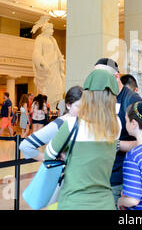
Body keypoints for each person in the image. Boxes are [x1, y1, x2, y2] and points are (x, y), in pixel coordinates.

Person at [44, 69, 121, 210]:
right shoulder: (117, 125)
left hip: (73, 202)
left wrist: (67, 155)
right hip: (105, 203)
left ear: (87, 95)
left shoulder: (72, 124)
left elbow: (48, 155)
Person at [94, 58, 142, 206]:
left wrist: (115, 144)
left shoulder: (132, 99)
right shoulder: (102, 98)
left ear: (115, 76)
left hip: (121, 176)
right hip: (101, 174)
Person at [20, 86, 83, 161]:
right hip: (40, 119)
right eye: (78, 106)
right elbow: (25, 146)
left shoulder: (85, 122)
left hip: (35, 118)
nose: (83, 110)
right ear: (68, 105)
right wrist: (49, 159)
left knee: (35, 131)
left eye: (86, 106)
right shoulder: (60, 123)